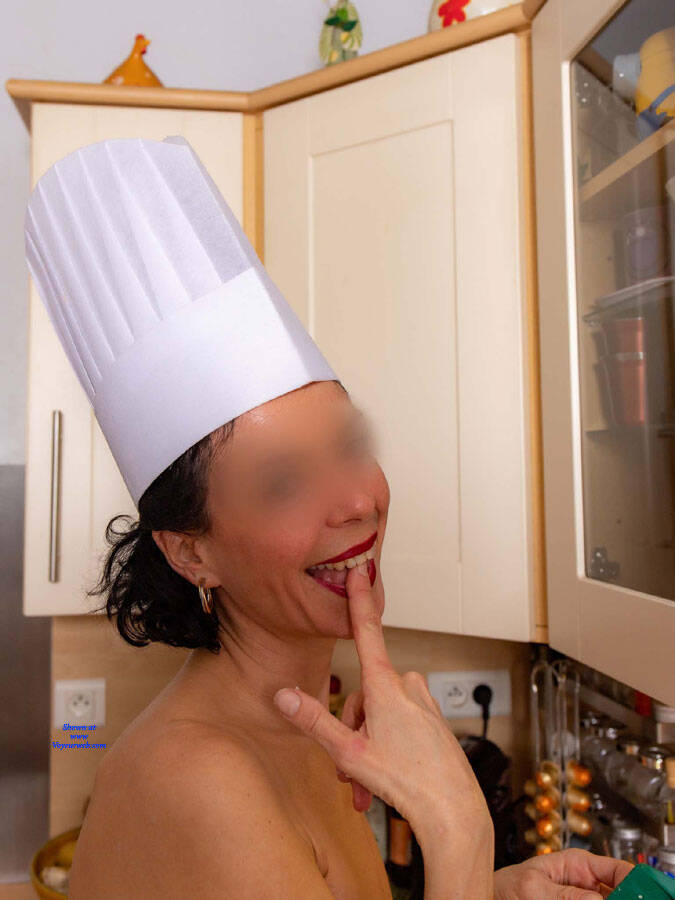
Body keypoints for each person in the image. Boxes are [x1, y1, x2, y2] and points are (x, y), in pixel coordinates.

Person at [25, 137, 633, 898]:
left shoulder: (308, 721)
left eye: (350, 446)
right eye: (282, 484)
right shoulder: (198, 776)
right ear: (190, 552)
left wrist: (494, 889)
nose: (356, 502)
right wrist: (459, 829)